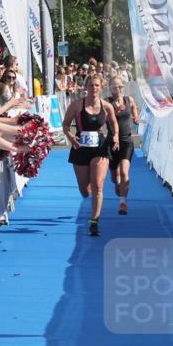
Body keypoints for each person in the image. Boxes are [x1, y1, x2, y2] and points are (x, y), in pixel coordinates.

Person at [63, 74, 119, 236]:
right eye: (91, 85)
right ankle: (88, 193)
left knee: (98, 185)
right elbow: (65, 125)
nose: (93, 88)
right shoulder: (76, 105)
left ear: (101, 87)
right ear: (85, 87)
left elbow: (113, 122)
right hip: (80, 147)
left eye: (96, 85)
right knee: (85, 190)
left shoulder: (106, 106)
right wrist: (71, 137)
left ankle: (94, 221)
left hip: (100, 147)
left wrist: (115, 135)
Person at [107, 78, 139, 215]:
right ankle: (116, 183)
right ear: (110, 88)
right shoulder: (106, 102)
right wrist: (114, 112)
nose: (118, 89)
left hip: (126, 141)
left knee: (124, 172)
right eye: (115, 87)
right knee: (115, 176)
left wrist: (136, 117)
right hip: (112, 143)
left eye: (120, 86)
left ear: (123, 87)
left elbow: (134, 107)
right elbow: (104, 118)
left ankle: (123, 202)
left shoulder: (128, 99)